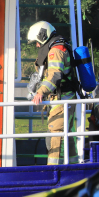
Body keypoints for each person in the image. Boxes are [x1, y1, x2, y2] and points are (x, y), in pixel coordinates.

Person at [29, 21, 80, 164]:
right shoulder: (58, 46)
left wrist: (41, 92)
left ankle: (53, 171)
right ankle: (74, 166)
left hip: (62, 99)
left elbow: (55, 75)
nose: (37, 45)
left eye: (37, 42)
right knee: (67, 135)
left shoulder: (55, 50)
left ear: (42, 35)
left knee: (55, 134)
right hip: (64, 98)